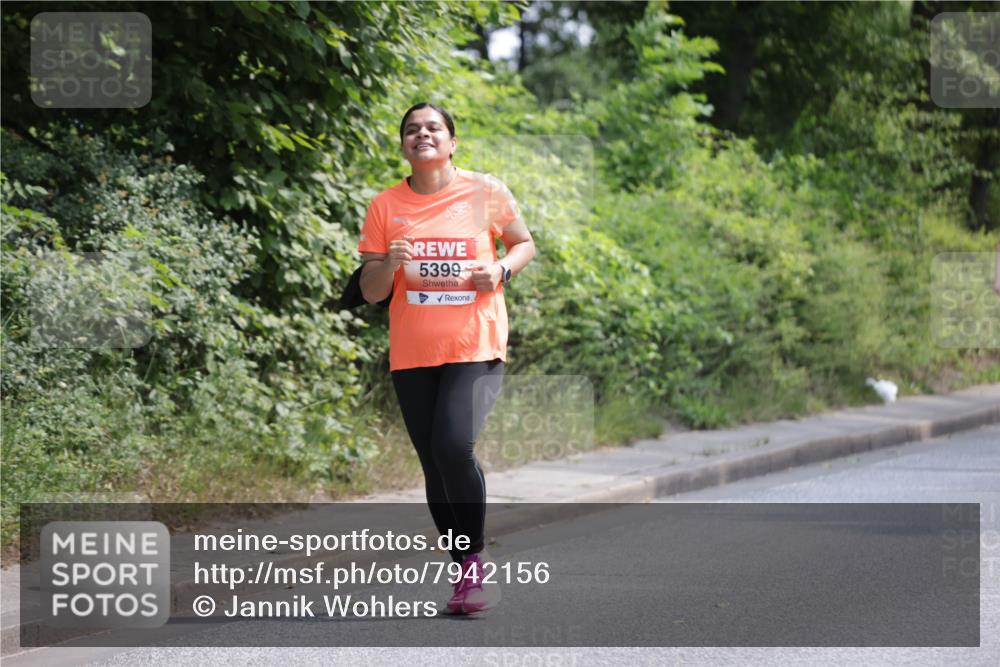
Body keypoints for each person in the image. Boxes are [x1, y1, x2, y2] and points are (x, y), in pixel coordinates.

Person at [357, 102, 536, 615]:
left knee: (454, 445)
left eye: (433, 127)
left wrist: (501, 269)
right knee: (434, 462)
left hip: (475, 343)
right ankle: (463, 575)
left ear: (452, 142)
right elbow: (371, 292)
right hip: (413, 352)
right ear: (403, 146)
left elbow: (524, 244)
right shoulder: (385, 206)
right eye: (412, 129)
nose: (422, 134)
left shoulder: (485, 191)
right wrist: (389, 262)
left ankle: (477, 565)